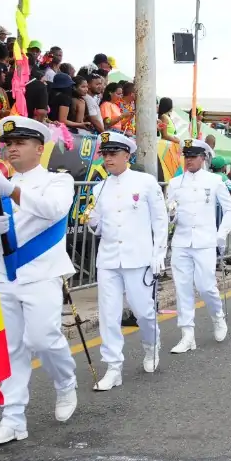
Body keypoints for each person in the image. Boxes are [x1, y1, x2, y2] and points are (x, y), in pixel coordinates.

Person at [0, 116, 77, 446]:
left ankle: (65, 382)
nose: (12, 148)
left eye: (20, 143)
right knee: (11, 348)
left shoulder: (57, 181)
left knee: (43, 338)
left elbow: (53, 209)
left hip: (41, 273)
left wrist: (12, 191)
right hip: (3, 274)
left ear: (39, 148)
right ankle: (13, 419)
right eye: (8, 143)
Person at [87, 131, 169, 390]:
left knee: (143, 311)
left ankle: (151, 345)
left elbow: (160, 220)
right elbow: (98, 227)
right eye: (105, 154)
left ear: (127, 155)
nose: (108, 159)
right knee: (108, 314)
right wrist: (92, 223)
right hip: (109, 259)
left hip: (138, 258)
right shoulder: (100, 188)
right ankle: (113, 367)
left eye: (113, 154)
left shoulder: (145, 182)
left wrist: (159, 253)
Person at [165, 138, 231, 354]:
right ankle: (187, 335)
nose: (189, 160)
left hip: (205, 241)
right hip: (182, 242)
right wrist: (171, 215)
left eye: (193, 156)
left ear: (203, 158)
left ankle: (218, 317)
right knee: (183, 288)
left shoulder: (214, 180)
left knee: (206, 286)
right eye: (186, 156)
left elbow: (229, 209)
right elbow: (168, 215)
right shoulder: (175, 183)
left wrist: (221, 234)